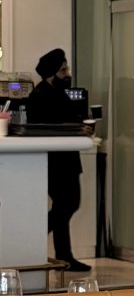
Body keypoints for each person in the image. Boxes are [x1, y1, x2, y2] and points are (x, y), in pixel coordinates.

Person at [31, 48, 90, 273]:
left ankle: (64, 256)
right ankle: (36, 238)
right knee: (67, 205)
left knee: (65, 207)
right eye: (63, 70)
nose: (67, 74)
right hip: (56, 162)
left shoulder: (57, 92)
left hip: (66, 159)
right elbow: (48, 126)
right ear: (52, 73)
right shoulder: (40, 95)